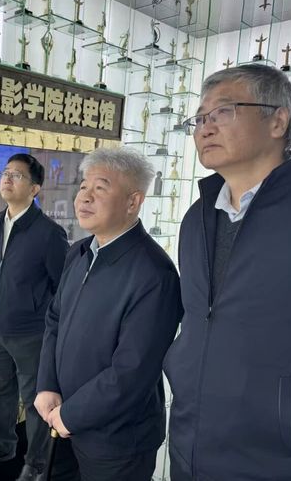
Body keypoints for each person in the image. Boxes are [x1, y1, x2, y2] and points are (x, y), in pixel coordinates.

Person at [164, 64, 291, 480]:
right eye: (199, 118)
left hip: (286, 458)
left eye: (223, 111)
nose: (205, 127)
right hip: (191, 444)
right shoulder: (197, 217)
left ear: (277, 121)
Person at [35, 147, 182, 481]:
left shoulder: (154, 274)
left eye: (100, 188)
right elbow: (55, 320)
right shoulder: (79, 252)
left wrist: (70, 415)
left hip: (117, 441)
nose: (85, 197)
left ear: (133, 202)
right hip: (62, 418)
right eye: (83, 186)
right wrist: (46, 385)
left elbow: (132, 372)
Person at [0, 153, 69, 481]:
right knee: (1, 390)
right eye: (6, 172)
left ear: (35, 189)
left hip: (32, 333)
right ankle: (4, 444)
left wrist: (39, 315)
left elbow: (61, 287)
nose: (7, 179)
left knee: (34, 399)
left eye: (17, 175)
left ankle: (36, 462)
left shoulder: (49, 233)